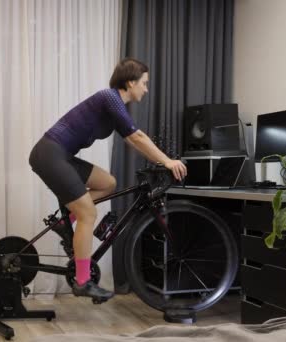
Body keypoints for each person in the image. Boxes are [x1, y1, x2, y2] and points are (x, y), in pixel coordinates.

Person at [29, 57, 187, 301]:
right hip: (50, 154)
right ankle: (83, 282)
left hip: (60, 155)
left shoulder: (115, 107)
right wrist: (167, 161)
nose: (146, 88)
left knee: (108, 183)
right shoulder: (110, 97)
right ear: (130, 82)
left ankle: (64, 222)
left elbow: (135, 139)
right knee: (88, 214)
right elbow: (138, 138)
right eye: (144, 83)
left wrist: (160, 160)